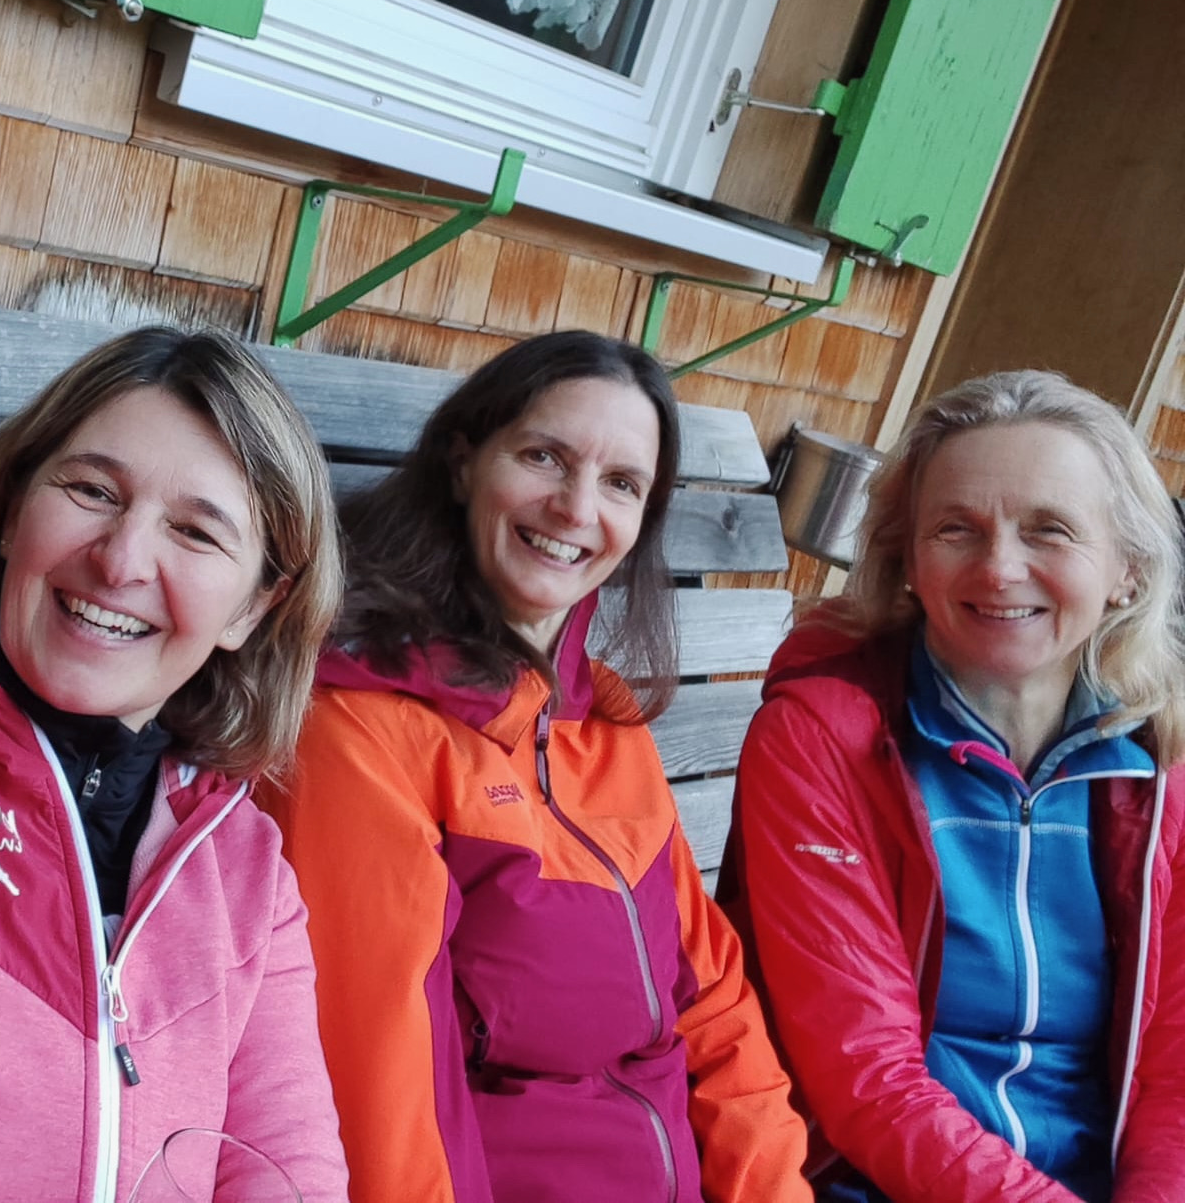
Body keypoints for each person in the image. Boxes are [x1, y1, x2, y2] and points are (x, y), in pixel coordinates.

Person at [263, 330, 811, 1203]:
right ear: (463, 464)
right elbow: (386, 1093)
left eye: (621, 483)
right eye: (544, 457)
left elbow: (712, 1004)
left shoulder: (605, 724)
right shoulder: (361, 728)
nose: (576, 508)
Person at [0, 327, 350, 1202]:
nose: (120, 561)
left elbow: (286, 1169)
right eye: (91, 491)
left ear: (254, 608)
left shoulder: (245, 870)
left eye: (195, 532)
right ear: (12, 511)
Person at [719, 371, 1185, 1203]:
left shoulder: (1160, 768)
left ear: (1128, 568)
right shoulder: (824, 740)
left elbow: (1174, 1070)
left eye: (1049, 530)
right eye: (956, 529)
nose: (999, 568)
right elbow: (867, 1079)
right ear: (908, 560)